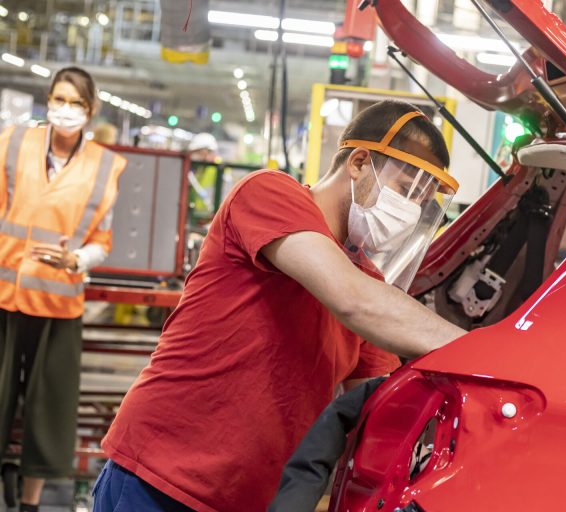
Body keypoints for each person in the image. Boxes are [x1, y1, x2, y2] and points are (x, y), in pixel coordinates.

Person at [93, 99, 467, 512]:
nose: (410, 211)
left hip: (252, 499)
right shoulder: (270, 194)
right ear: (359, 162)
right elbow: (352, 300)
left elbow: (372, 409)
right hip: (161, 478)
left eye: (421, 201)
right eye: (405, 189)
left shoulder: (370, 286)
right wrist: (483, 350)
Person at [0, 67, 126, 511]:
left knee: (46, 412)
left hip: (58, 303)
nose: (64, 110)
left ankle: (31, 505)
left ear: (89, 111)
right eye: (58, 99)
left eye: (75, 103)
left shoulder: (104, 167)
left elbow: (102, 242)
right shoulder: (14, 143)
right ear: (47, 100)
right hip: (3, 297)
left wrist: (78, 259)